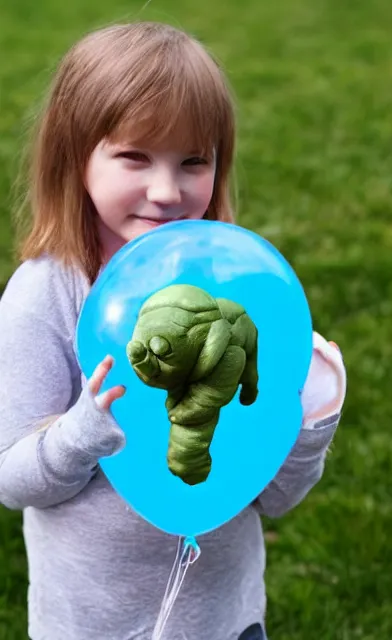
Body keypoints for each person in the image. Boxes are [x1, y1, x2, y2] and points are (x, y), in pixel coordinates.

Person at [0, 21, 347, 640]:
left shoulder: (234, 288)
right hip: (91, 626)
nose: (167, 191)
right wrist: (80, 436)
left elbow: (272, 498)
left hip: (226, 620)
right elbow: (11, 479)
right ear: (74, 156)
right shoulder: (45, 296)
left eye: (194, 162)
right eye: (134, 156)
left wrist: (309, 420)